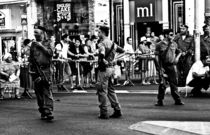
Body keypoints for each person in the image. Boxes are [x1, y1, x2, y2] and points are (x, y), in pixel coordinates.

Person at [96, 25, 125, 119]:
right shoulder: (113, 43)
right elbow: (123, 51)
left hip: (104, 70)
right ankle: (117, 109)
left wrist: (102, 59)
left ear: (102, 33)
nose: (98, 34)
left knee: (102, 90)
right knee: (111, 90)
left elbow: (102, 53)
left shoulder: (102, 43)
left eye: (99, 32)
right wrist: (115, 59)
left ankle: (103, 112)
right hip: (112, 69)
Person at [29, 24, 54, 120]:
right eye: (34, 32)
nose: (34, 34)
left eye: (36, 32)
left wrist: (40, 46)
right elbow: (31, 58)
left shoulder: (49, 42)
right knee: (39, 92)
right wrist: (31, 71)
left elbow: (50, 53)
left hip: (46, 70)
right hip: (36, 70)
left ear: (42, 33)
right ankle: (42, 110)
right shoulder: (33, 44)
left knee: (47, 90)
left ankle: (48, 110)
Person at [154, 29, 184, 106]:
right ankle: (160, 100)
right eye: (171, 35)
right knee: (162, 84)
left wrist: (177, 58)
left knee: (174, 84)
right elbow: (156, 57)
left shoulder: (174, 44)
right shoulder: (159, 44)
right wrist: (159, 68)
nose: (172, 36)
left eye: (173, 35)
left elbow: (179, 51)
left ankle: (177, 100)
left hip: (171, 66)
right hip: (163, 66)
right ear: (166, 35)